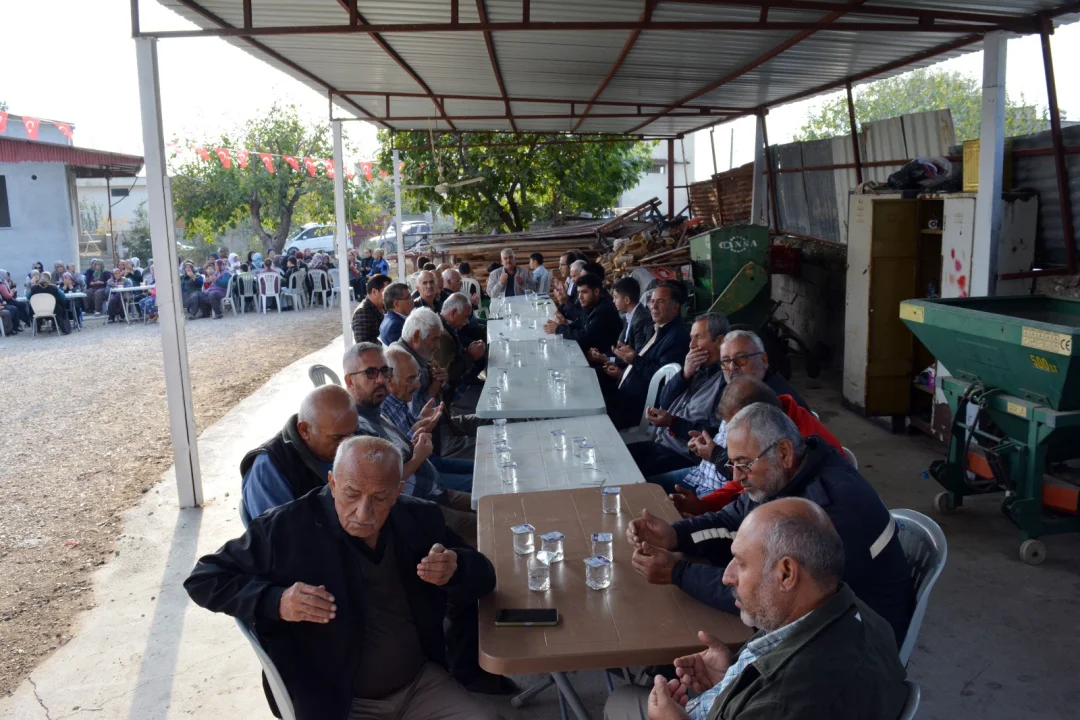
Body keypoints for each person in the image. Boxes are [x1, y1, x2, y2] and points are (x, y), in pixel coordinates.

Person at [185, 435, 502, 720]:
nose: (363, 512)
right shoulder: (286, 529)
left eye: (380, 498)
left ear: (397, 492)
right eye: (351, 493)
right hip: (338, 702)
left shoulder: (418, 518)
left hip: (420, 683)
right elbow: (205, 577)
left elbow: (485, 575)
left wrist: (455, 568)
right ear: (333, 483)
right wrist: (276, 600)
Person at [626, 402, 915, 644]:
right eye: (732, 464)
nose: (736, 477)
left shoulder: (829, 509)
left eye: (743, 464)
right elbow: (730, 520)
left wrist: (678, 572)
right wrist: (674, 536)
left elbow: (769, 595)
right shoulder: (785, 474)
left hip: (854, 644)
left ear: (784, 452)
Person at [606, 497, 908, 720]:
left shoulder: (782, 702)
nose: (727, 576)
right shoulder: (860, 615)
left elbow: (783, 699)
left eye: (741, 563)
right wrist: (734, 679)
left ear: (786, 574)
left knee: (620, 702)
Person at [343, 342, 475, 545]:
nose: (381, 380)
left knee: (493, 501)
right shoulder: (356, 427)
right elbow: (381, 486)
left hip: (435, 490)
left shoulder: (377, 411)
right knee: (491, 524)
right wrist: (418, 458)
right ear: (350, 381)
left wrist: (417, 429)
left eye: (384, 371)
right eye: (370, 373)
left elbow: (398, 453)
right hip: (419, 508)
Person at [666, 376, 843, 514]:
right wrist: (704, 505)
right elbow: (743, 484)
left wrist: (716, 457)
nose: (731, 368)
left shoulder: (802, 448)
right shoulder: (770, 430)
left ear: (784, 452)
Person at [626, 313, 731, 479]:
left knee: (629, 477)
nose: (692, 345)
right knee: (614, 458)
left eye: (698, 337)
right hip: (661, 444)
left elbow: (713, 435)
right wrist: (684, 374)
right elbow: (664, 400)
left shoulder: (725, 383)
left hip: (684, 457)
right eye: (691, 338)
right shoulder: (698, 369)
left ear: (720, 341)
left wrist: (672, 422)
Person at [240, 385, 360, 525]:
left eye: (353, 434)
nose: (348, 445)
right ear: (304, 431)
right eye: (336, 438)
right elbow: (280, 534)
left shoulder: (351, 435)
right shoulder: (269, 469)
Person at [383, 344, 474, 493]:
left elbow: (408, 437)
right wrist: (418, 430)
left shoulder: (400, 398)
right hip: (418, 477)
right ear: (389, 380)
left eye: (417, 377)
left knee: (483, 468)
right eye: (411, 379)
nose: (418, 385)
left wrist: (420, 421)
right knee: (481, 482)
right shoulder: (382, 410)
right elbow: (398, 462)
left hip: (429, 462)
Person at [602, 282, 692, 429]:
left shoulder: (677, 337)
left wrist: (634, 359)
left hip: (639, 408)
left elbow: (662, 378)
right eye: (652, 301)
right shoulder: (653, 328)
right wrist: (625, 360)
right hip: (625, 393)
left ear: (676, 307)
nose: (653, 307)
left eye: (660, 302)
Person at [716, 330, 808, 409]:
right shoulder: (746, 390)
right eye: (726, 361)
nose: (732, 367)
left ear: (763, 359)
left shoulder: (773, 403)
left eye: (741, 358)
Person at [544, 272, 621, 354]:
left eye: (584, 292)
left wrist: (558, 329)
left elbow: (585, 338)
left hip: (603, 357)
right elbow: (581, 325)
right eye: (579, 292)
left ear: (596, 292)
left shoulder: (603, 310)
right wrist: (564, 325)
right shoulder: (590, 304)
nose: (580, 297)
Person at [437, 292, 486, 389]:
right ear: (453, 313)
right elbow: (448, 374)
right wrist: (470, 355)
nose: (467, 321)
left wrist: (469, 350)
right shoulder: (441, 335)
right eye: (466, 316)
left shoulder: (446, 326)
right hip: (452, 391)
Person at [611, 277, 652, 353]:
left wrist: (612, 358)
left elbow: (638, 355)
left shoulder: (641, 319)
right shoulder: (629, 315)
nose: (613, 301)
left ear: (627, 300)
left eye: (616, 297)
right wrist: (606, 358)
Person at [352, 273, 391, 344]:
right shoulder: (362, 312)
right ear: (374, 292)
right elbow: (363, 344)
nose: (390, 295)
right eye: (387, 292)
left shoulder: (384, 306)